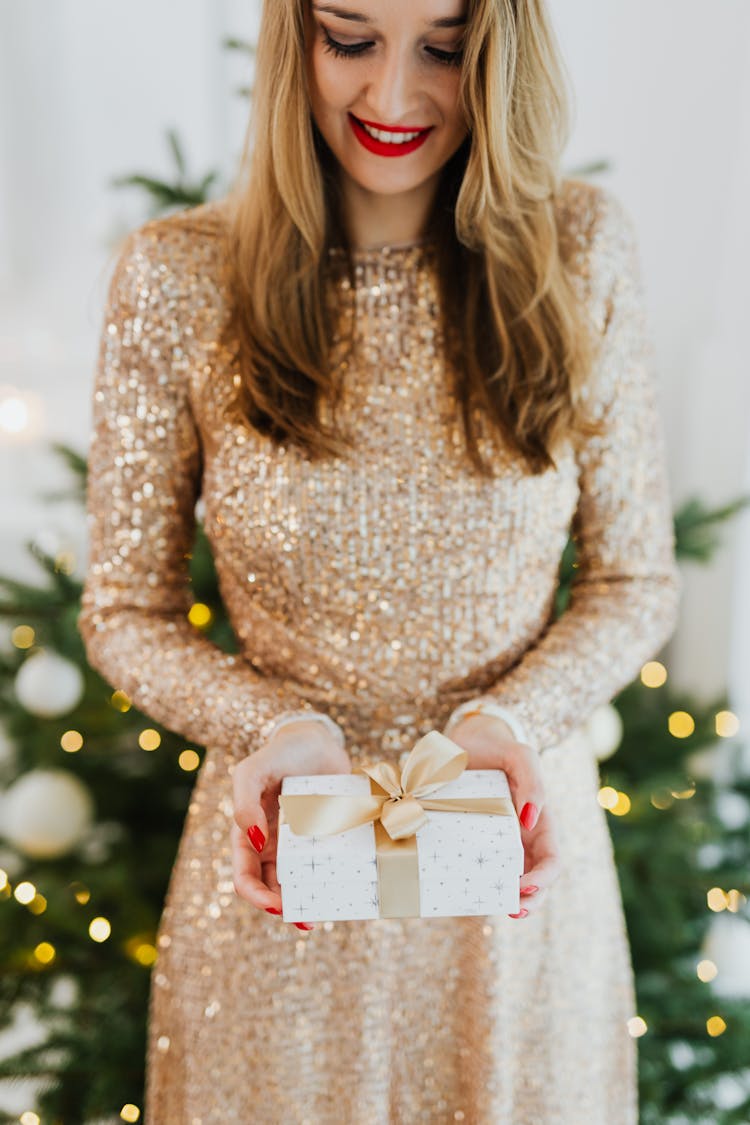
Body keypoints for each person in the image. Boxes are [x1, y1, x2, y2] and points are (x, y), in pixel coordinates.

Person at [78, 0, 682, 1120]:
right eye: (350, 39)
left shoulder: (580, 248)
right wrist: (275, 729)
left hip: (510, 882)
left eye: (444, 49)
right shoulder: (175, 280)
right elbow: (124, 609)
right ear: (292, 41)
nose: (394, 97)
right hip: (280, 877)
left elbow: (633, 580)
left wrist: (508, 723)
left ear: (499, 56)